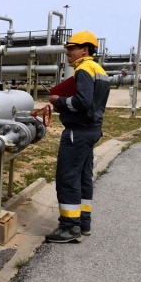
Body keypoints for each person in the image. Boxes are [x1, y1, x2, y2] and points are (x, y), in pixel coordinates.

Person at [46, 30, 110, 243]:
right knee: (83, 177)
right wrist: (66, 105)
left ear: (85, 49)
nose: (68, 52)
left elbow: (83, 102)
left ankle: (70, 228)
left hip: (78, 132)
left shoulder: (83, 69)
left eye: (72, 48)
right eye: (68, 49)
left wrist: (59, 101)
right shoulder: (98, 70)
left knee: (68, 178)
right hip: (92, 130)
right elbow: (91, 103)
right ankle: (83, 223)